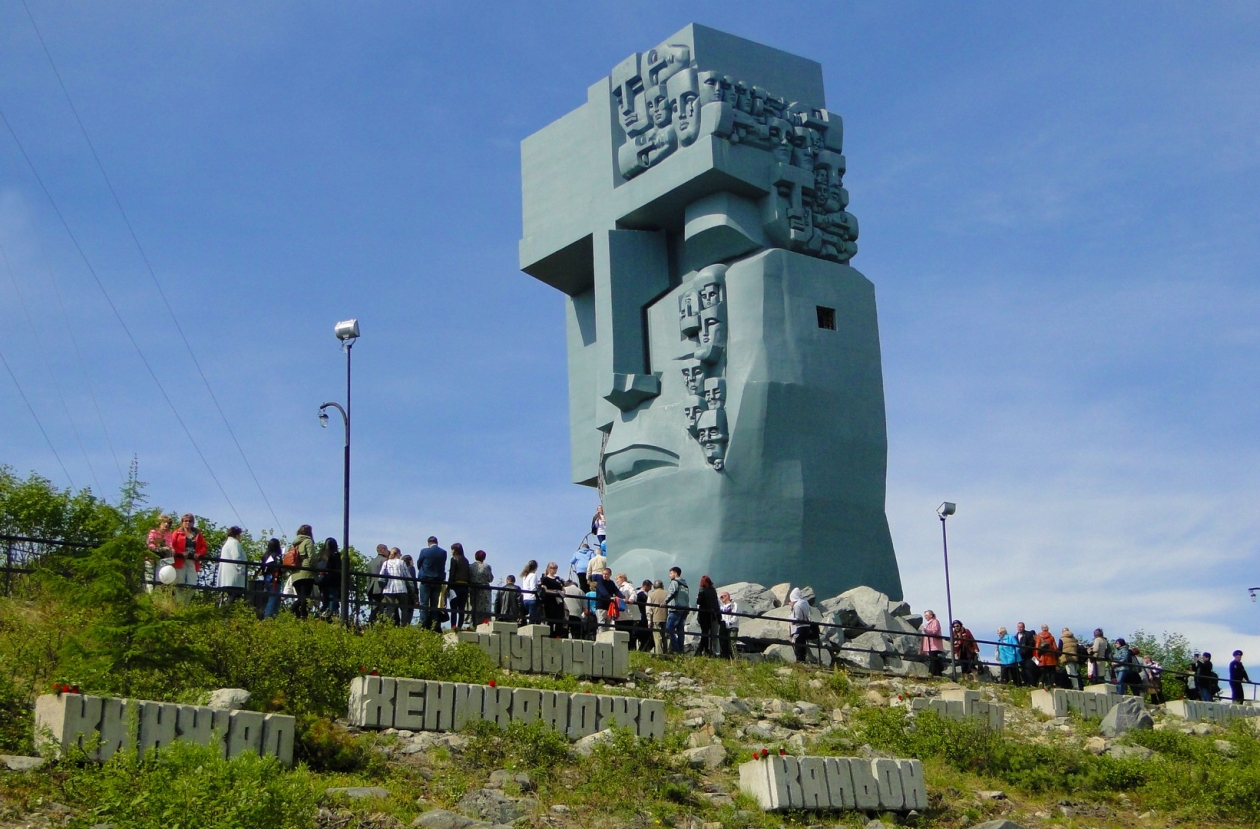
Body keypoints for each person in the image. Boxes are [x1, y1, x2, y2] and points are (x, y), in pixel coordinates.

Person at [171, 513, 209, 595]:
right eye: (186, 521)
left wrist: (199, 553)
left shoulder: (197, 534)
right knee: (179, 583)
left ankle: (186, 604)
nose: (188, 523)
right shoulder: (177, 533)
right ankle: (180, 603)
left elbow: (204, 547)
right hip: (180, 560)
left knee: (192, 584)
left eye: (190, 521)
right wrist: (180, 552)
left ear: (193, 523)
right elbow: (172, 545)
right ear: (182, 522)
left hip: (192, 561)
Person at [415, 537, 447, 631]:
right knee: (434, 605)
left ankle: (423, 626)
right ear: (437, 542)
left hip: (426, 581)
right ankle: (434, 625)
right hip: (438, 581)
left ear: (428, 543)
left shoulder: (424, 551)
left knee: (424, 604)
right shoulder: (443, 552)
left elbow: (418, 564)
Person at [287, 525, 317, 619]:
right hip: (306, 573)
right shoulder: (308, 541)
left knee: (301, 598)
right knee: (304, 598)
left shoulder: (295, 544)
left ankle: (297, 616)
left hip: (295, 574)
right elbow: (312, 558)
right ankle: (295, 615)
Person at [216, 526, 248, 603]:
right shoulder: (235, 543)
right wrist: (243, 571)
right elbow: (237, 558)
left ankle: (225, 612)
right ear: (237, 535)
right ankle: (227, 612)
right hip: (234, 576)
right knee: (234, 596)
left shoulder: (227, 543)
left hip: (227, 577)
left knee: (232, 596)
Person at [379, 548, 411, 625]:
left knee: (390, 608)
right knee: (404, 608)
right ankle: (404, 626)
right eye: (400, 554)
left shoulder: (386, 563)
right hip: (401, 588)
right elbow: (407, 576)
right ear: (398, 553)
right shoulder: (401, 562)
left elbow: (381, 576)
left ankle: (389, 625)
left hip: (388, 588)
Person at [664, 567, 690, 654]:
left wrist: (665, 602)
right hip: (684, 609)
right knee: (680, 631)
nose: (669, 575)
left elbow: (672, 592)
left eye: (671, 573)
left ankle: (676, 649)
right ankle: (681, 650)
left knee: (669, 629)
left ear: (675, 573)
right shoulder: (685, 584)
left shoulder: (674, 582)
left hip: (675, 609)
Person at [145, 514, 175, 591]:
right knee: (149, 578)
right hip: (151, 557)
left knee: (160, 577)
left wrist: (171, 549)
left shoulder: (169, 534)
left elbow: (170, 546)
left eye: (168, 523)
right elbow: (150, 543)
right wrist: (159, 548)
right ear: (159, 523)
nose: (166, 524)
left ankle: (157, 597)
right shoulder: (153, 532)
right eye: (164, 522)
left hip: (163, 559)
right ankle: (150, 596)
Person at [790, 587, 818, 663]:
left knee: (798, 643)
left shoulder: (797, 605)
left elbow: (797, 618)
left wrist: (792, 608)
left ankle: (799, 660)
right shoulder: (805, 602)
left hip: (799, 627)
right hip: (807, 626)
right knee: (803, 643)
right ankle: (803, 659)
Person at [315, 537, 341, 618]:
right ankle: (330, 616)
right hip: (333, 582)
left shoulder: (320, 556)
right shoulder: (335, 555)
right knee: (333, 599)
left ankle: (320, 616)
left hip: (322, 581)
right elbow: (337, 568)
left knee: (325, 600)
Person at [448, 543, 472, 631]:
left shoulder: (453, 559)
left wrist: (449, 586)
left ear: (455, 550)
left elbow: (452, 573)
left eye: (452, 549)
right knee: (461, 608)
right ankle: (460, 626)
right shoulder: (466, 560)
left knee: (453, 608)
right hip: (465, 586)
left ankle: (453, 626)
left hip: (455, 586)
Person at [695, 576, 721, 657]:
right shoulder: (713, 590)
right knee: (708, 633)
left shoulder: (702, 590)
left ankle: (701, 650)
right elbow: (715, 603)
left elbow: (699, 602)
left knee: (704, 632)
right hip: (712, 614)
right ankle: (706, 650)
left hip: (703, 614)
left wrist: (698, 597)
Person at [539, 561, 567, 636]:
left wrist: (561, 592)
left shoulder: (559, 579)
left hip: (559, 601)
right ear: (548, 569)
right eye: (552, 568)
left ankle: (558, 636)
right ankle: (550, 635)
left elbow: (563, 589)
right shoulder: (545, 579)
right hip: (549, 601)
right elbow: (544, 590)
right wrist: (554, 591)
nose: (554, 569)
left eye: (555, 568)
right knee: (550, 619)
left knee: (559, 619)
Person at [260, 538, 284, 619]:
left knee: (267, 600)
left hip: (266, 580)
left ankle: (264, 616)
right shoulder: (277, 556)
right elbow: (280, 568)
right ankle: (269, 618)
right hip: (275, 580)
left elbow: (262, 569)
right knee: (273, 600)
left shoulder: (265, 556)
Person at [366, 544, 390, 624]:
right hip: (383, 587)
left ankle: (370, 623)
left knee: (375, 607)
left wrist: (368, 588)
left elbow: (368, 578)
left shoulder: (371, 563)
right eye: (387, 550)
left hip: (372, 588)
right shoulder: (386, 561)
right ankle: (383, 624)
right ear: (383, 550)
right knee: (385, 607)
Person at [470, 550, 494, 626]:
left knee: (474, 608)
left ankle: (473, 624)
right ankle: (485, 625)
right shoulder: (487, 567)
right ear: (484, 558)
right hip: (485, 591)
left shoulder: (470, 567)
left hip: (474, 589)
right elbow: (490, 579)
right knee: (485, 609)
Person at [920, 610, 945, 677]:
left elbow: (934, 631)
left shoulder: (935, 622)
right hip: (930, 644)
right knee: (933, 659)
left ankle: (934, 673)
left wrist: (925, 629)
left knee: (934, 659)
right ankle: (935, 673)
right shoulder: (929, 623)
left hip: (934, 645)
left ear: (931, 615)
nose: (925, 617)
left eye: (926, 615)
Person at [615, 573, 640, 638]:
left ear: (622, 578)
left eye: (617, 579)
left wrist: (631, 600)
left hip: (627, 614)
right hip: (622, 614)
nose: (616, 581)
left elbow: (633, 593)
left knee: (626, 631)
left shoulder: (628, 586)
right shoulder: (619, 587)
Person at [1034, 625, 1059, 689]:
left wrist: (1037, 656)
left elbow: (1037, 646)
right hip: (1051, 656)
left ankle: (1046, 684)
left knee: (1045, 671)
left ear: (1042, 629)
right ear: (1048, 629)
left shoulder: (1039, 636)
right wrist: (1056, 657)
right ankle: (1053, 683)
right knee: (1052, 671)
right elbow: (1055, 648)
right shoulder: (1051, 637)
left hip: (1043, 657)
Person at [648, 579, 668, 654]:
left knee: (657, 637)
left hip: (656, 618)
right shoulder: (667, 593)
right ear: (662, 585)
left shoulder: (651, 595)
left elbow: (649, 609)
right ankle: (667, 652)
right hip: (666, 617)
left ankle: (659, 654)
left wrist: (649, 620)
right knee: (666, 636)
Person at [718, 590, 740, 659]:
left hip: (732, 627)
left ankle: (736, 660)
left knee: (732, 644)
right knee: (726, 644)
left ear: (726, 596)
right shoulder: (722, 606)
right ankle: (729, 659)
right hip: (725, 628)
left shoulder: (733, 604)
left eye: (722, 597)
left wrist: (731, 622)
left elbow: (735, 615)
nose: (721, 599)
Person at [518, 560, 540, 624]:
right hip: (532, 599)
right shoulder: (533, 575)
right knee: (532, 618)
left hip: (525, 599)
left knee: (528, 617)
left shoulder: (525, 576)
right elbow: (533, 588)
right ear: (535, 567)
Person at [400, 552, 418, 626]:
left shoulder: (402, 569)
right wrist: (416, 597)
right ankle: (406, 626)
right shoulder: (411, 568)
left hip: (403, 592)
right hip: (410, 593)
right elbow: (413, 582)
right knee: (409, 611)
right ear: (409, 561)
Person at [635, 579, 653, 651]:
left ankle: (642, 649)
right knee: (645, 635)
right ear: (646, 586)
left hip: (639, 616)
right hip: (642, 616)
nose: (650, 589)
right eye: (650, 587)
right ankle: (643, 650)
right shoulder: (642, 595)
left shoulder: (637, 593)